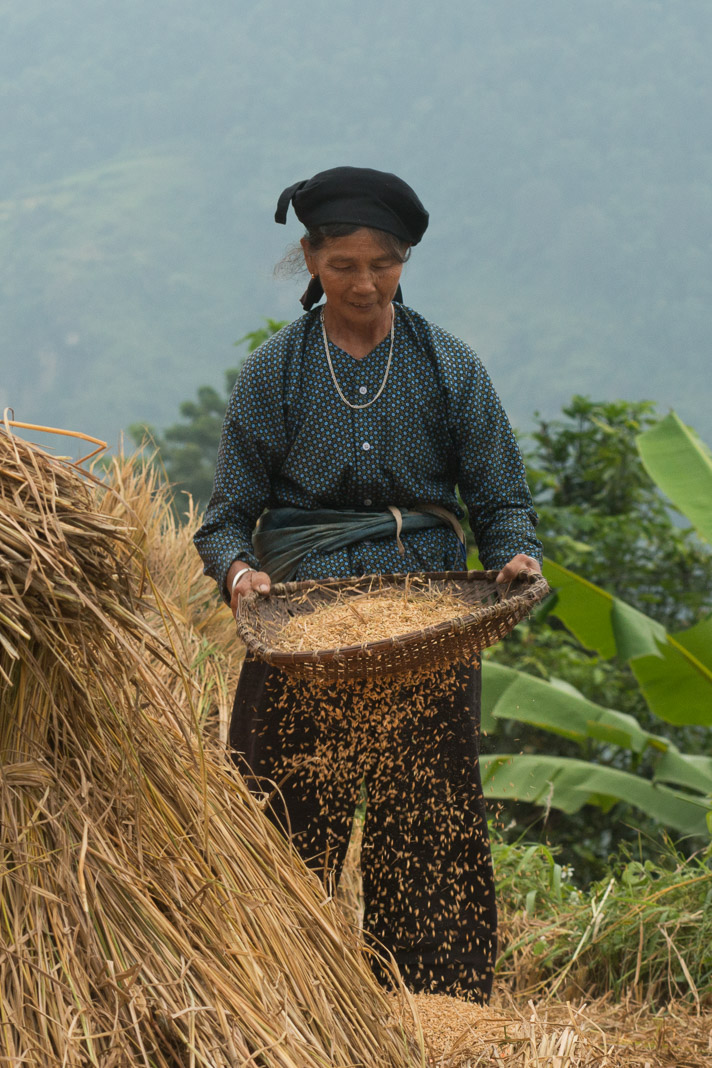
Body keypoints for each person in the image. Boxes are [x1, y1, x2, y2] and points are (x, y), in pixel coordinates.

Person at [192, 166, 542, 1003]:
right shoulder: (275, 372)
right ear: (309, 259)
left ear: (405, 262)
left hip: (427, 621)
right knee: (283, 807)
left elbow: (499, 498)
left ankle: (433, 1006)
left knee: (427, 814)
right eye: (342, 264)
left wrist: (515, 555)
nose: (363, 282)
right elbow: (225, 519)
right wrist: (241, 574)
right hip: (305, 624)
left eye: (381, 265)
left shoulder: (448, 365)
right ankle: (277, 993)